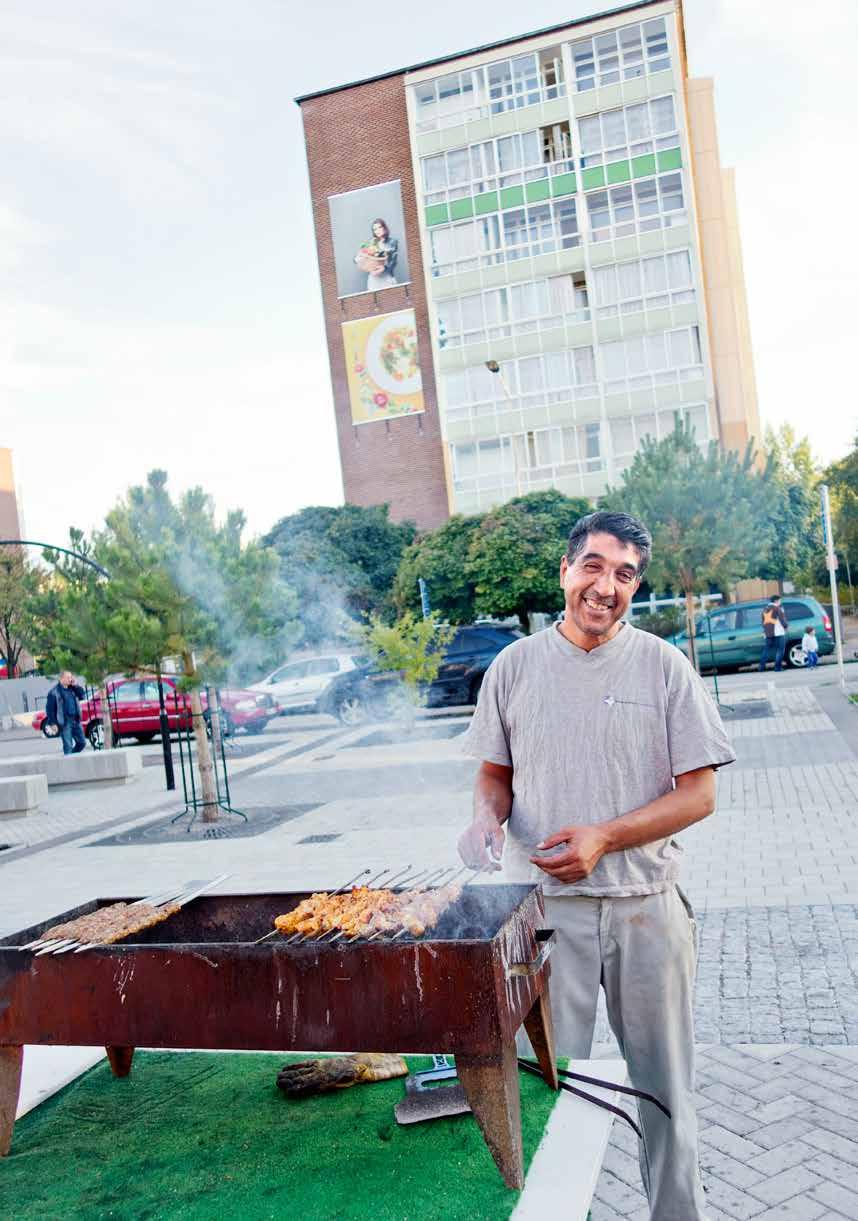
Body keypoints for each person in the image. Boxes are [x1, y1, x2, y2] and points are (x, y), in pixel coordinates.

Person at [457, 510, 735, 1221]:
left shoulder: (663, 665)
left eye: (624, 573)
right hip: (547, 916)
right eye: (594, 565)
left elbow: (700, 792)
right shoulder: (513, 667)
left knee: (667, 1092)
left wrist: (605, 837)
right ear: (565, 569)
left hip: (648, 908)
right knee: (548, 1096)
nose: (606, 585)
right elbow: (495, 773)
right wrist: (486, 816)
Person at [45, 671, 87, 755]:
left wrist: (76, 685)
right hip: (65, 722)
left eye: (71, 677)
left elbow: (82, 695)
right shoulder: (54, 692)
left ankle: (71, 757)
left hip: (76, 720)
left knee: (82, 743)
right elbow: (50, 710)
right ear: (61, 679)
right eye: (68, 677)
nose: (70, 679)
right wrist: (53, 723)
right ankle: (69, 761)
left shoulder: (73, 688)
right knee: (68, 746)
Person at [354, 218, 398, 291]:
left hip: (387, 278)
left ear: (384, 228)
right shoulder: (371, 243)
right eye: (375, 229)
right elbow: (360, 257)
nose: (377, 230)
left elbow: (393, 261)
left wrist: (384, 268)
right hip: (374, 280)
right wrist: (359, 259)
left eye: (379, 227)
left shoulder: (392, 242)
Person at [758, 594, 788, 671]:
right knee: (780, 649)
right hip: (778, 632)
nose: (780, 602)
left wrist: (765, 631)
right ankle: (777, 667)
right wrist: (786, 627)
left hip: (768, 633)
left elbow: (763, 621)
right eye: (780, 600)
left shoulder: (764, 609)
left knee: (766, 649)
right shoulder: (777, 608)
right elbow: (782, 620)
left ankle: (761, 667)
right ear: (776, 601)